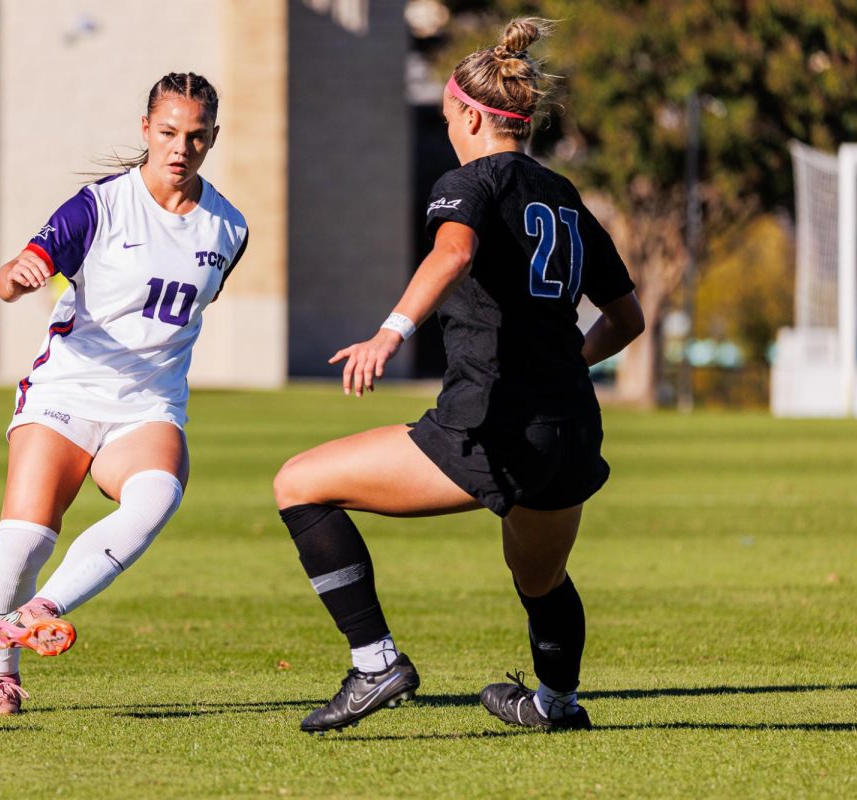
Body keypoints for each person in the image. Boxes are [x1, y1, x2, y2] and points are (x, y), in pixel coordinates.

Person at [272, 18, 645, 734]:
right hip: (568, 425)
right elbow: (627, 320)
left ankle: (376, 663)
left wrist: (390, 332)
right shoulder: (564, 194)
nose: (448, 131)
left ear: (471, 114)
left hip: (491, 423)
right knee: (541, 579)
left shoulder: (468, 181)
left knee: (298, 485)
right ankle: (556, 705)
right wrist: (570, 361)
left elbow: (453, 254)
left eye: (448, 119)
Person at [0, 72, 248, 716]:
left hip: (149, 403)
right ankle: (2, 678)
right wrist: (18, 276)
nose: (181, 148)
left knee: (157, 496)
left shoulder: (228, 229)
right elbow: (9, 278)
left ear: (213, 138)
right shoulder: (100, 206)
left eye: (196, 136)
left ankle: (43, 609)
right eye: (168, 133)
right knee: (23, 544)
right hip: (66, 391)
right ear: (146, 130)